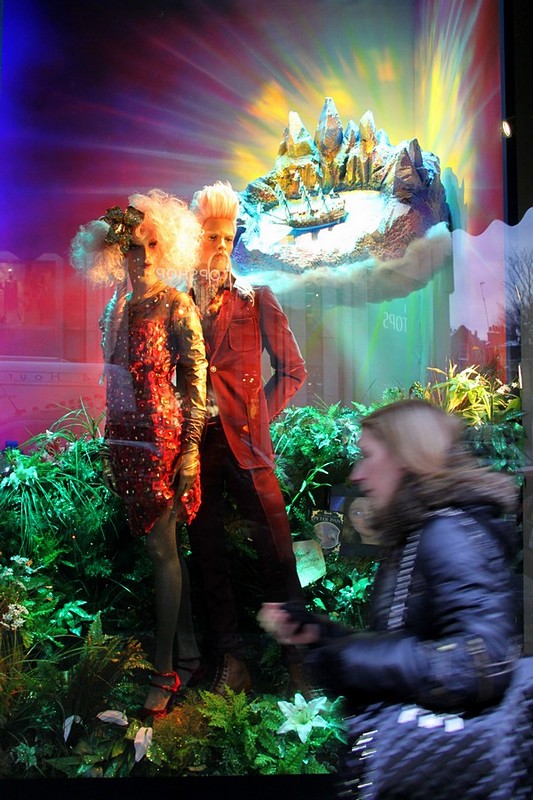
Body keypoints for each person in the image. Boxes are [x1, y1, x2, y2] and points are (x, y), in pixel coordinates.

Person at [258, 399, 520, 762]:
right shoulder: (417, 533)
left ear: (405, 457)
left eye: (367, 456)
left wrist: (352, 659)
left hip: (450, 765)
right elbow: (413, 639)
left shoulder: (447, 532)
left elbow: (482, 660)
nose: (356, 475)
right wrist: (322, 635)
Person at [70, 189, 207, 718]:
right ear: (116, 252)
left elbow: (196, 380)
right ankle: (188, 654)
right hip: (126, 438)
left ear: (164, 247)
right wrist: (110, 445)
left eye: (152, 244)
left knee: (161, 549)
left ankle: (164, 669)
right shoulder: (114, 309)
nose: (143, 256)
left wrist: (190, 449)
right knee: (164, 550)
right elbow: (113, 382)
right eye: (132, 246)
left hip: (163, 437)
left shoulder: (176, 303)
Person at [185, 180, 308, 695]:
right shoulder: (178, 304)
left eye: (227, 236)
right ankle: (231, 663)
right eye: (210, 235)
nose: (220, 245)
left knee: (278, 555)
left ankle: (300, 663)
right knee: (208, 556)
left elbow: (293, 370)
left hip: (249, 448)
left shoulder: (255, 298)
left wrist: (258, 418)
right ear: (193, 237)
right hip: (196, 451)